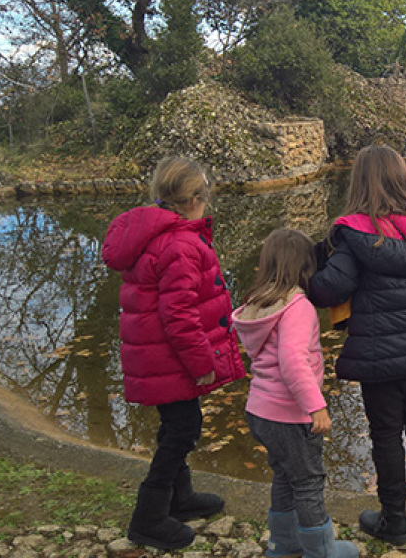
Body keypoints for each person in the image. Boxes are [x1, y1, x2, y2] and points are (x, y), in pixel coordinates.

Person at [307, 144, 406, 545]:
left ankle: (394, 522)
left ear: (358, 184)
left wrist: (306, 272)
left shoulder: (352, 235)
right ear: (403, 182)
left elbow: (331, 288)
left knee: (386, 435)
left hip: (379, 357)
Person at [101, 156, 246, 551]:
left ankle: (180, 500)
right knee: (183, 431)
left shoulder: (153, 234)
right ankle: (147, 518)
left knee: (176, 425)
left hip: (156, 357)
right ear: (195, 198)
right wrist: (202, 365)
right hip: (171, 358)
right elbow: (179, 315)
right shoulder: (180, 243)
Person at [232, 228, 358, 558]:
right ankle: (321, 550)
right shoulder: (297, 306)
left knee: (285, 476)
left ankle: (283, 543)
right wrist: (315, 406)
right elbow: (292, 361)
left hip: (260, 411)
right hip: (289, 414)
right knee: (308, 480)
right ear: (306, 267)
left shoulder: (258, 303)